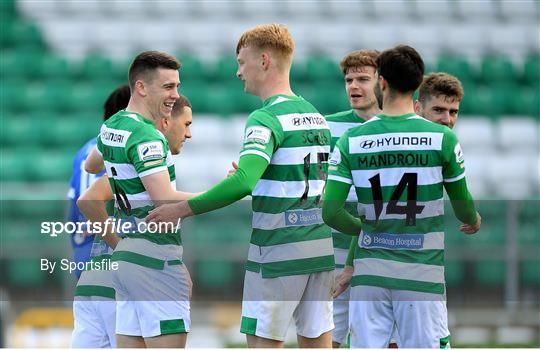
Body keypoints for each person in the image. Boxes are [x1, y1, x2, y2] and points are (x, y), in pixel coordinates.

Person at [147, 24, 335, 348]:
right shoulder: (316, 116)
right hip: (319, 249)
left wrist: (178, 209)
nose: (238, 72)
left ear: (264, 60)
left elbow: (243, 182)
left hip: (277, 249)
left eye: (242, 62)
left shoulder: (266, 118)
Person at [322, 45, 481, 348]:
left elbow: (330, 212)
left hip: (369, 276)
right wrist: (473, 219)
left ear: (381, 82)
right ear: (418, 85)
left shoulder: (352, 139)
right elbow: (463, 206)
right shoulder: (442, 138)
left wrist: (369, 229)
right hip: (420, 275)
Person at [85, 51, 199, 348]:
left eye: (176, 85)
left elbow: (91, 165)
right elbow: (164, 198)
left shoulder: (113, 126)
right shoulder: (146, 136)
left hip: (126, 260)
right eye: (168, 87)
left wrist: (120, 165)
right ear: (141, 87)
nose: (175, 94)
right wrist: (226, 193)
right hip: (156, 260)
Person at [324, 49, 380, 348]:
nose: (354, 86)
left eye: (363, 79)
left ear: (382, 82)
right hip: (333, 249)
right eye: (349, 80)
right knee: (329, 338)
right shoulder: (325, 127)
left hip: (384, 250)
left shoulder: (399, 128)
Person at [67, 85, 130, 279]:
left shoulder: (87, 150)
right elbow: (92, 206)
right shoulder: (111, 150)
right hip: (106, 258)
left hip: (86, 256)